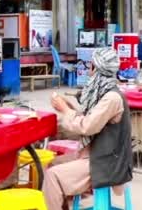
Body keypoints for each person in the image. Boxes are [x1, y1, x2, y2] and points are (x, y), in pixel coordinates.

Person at [43, 48, 132, 210]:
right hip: (96, 155)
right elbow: (88, 118)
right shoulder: (102, 93)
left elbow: (87, 127)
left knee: (52, 176)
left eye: (91, 65)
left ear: (96, 68)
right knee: (51, 164)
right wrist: (67, 107)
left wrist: (65, 110)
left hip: (106, 162)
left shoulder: (111, 98)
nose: (88, 69)